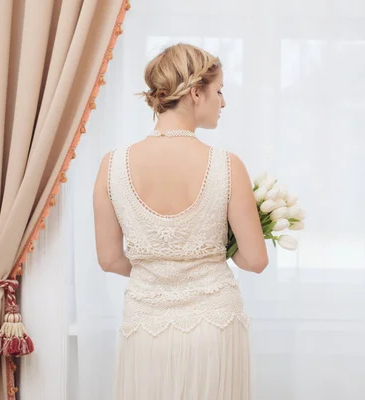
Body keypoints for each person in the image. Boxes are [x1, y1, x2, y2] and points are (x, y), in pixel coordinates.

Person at [92, 43, 268, 400]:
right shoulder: (226, 165)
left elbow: (109, 259)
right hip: (214, 327)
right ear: (195, 92)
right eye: (219, 91)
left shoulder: (111, 166)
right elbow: (256, 260)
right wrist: (216, 252)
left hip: (146, 328)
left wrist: (160, 268)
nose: (223, 101)